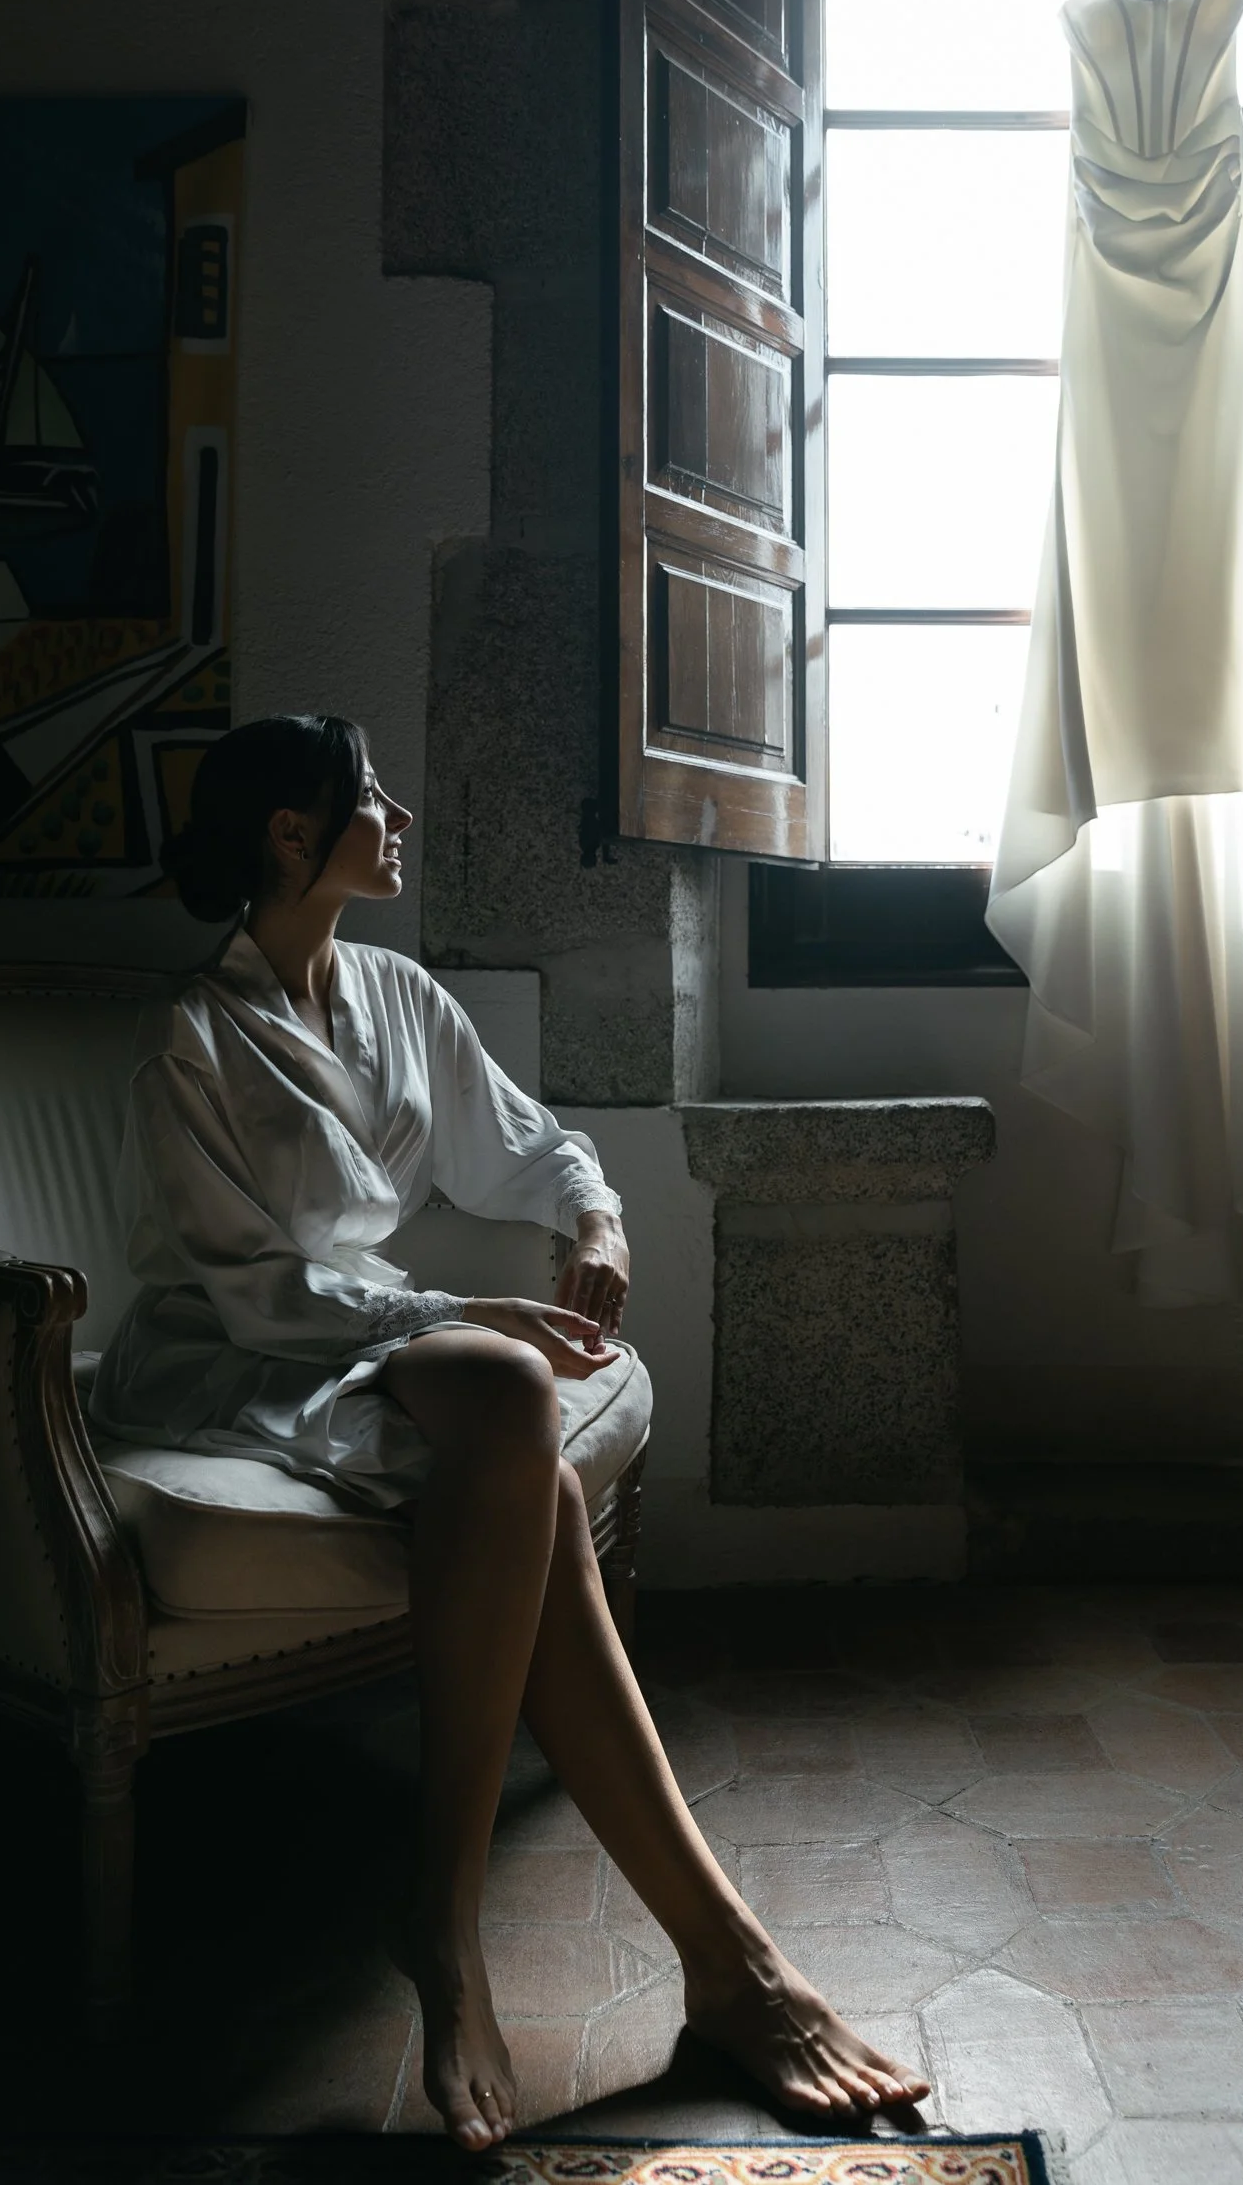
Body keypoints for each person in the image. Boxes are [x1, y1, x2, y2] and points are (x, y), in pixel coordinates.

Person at [89, 713, 930, 2151]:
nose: (401, 811)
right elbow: (257, 1285)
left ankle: (656, 1955)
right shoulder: (195, 1035)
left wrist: (592, 1217)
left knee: (508, 1414)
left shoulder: (400, 995)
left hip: (376, 1340)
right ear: (293, 836)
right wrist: (456, 1310)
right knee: (504, 1384)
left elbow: (531, 1142)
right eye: (370, 799)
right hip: (233, 1356)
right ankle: (600, 1944)